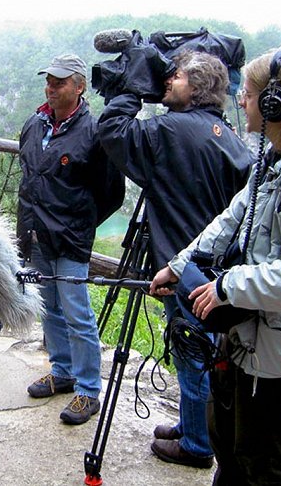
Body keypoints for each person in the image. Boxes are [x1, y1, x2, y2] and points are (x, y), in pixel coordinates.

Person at [150, 47, 281, 485]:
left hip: (277, 347)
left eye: (250, 92)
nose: (241, 100)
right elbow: (230, 221)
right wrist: (178, 265)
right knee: (227, 439)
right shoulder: (274, 157)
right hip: (246, 330)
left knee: (266, 457)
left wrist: (226, 287)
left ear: (275, 102)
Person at [96, 50, 252, 468]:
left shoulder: (170, 130)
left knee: (190, 352)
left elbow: (111, 130)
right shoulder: (229, 137)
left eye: (176, 75)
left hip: (180, 265)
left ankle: (198, 445)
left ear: (198, 87)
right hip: (215, 267)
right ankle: (191, 425)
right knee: (201, 349)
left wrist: (133, 87)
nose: (168, 80)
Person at [17, 54, 125, 425]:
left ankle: (88, 389)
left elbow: (112, 192)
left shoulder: (94, 132)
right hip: (36, 235)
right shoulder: (34, 124)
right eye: (48, 79)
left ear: (79, 86)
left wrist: (80, 224)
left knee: (77, 313)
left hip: (71, 239)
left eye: (60, 81)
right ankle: (61, 372)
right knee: (50, 307)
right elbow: (28, 177)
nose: (51, 86)